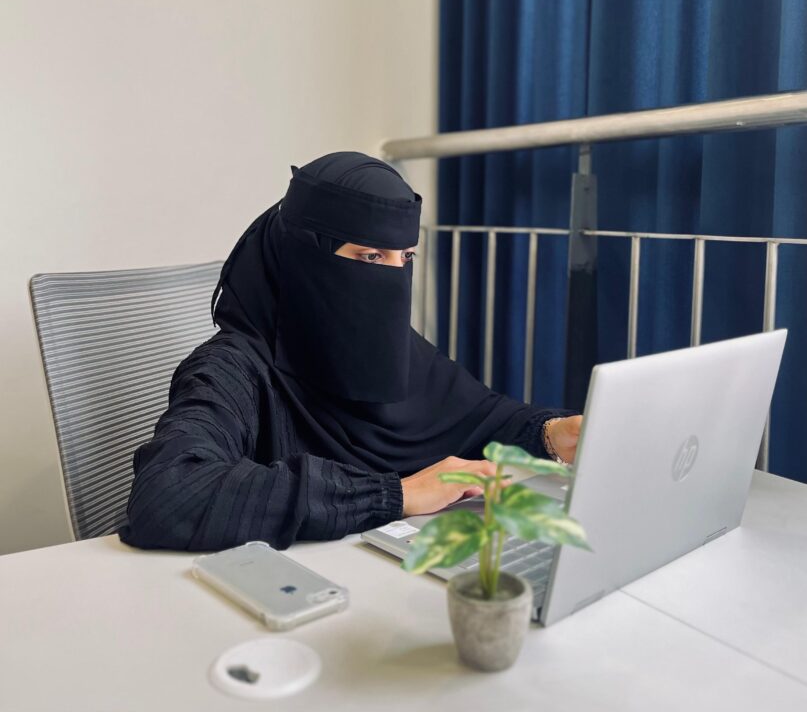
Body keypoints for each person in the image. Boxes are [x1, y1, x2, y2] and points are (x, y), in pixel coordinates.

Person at [119, 153, 582, 552]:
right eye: (371, 257)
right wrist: (394, 495)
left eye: (406, 258)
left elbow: (485, 420)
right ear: (305, 258)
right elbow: (168, 493)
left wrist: (552, 434)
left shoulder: (397, 352)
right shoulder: (232, 369)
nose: (394, 277)